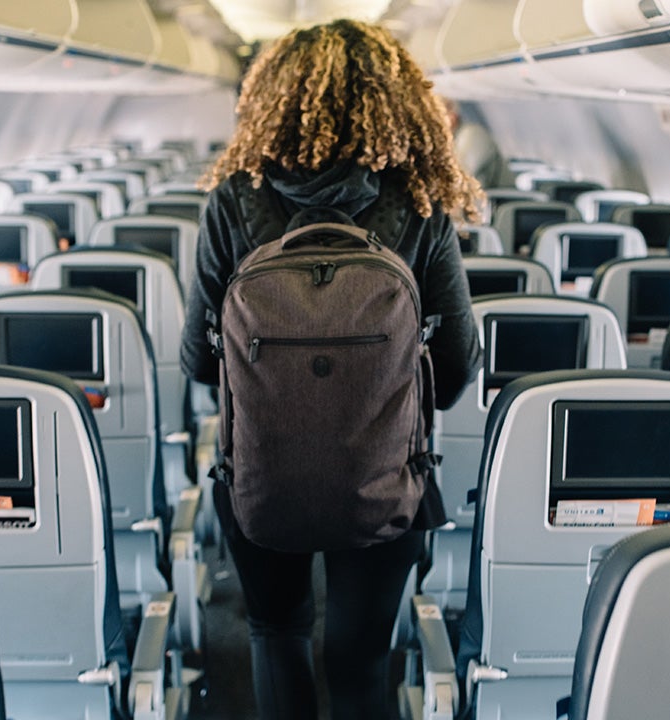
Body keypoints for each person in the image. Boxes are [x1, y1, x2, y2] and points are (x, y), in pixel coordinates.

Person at [179, 19, 483, 720]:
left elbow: (198, 361)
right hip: (385, 482)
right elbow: (461, 364)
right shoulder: (418, 202)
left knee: (275, 630)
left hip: (257, 473)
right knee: (361, 657)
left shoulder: (232, 201)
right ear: (397, 100)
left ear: (271, 100)